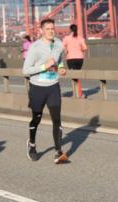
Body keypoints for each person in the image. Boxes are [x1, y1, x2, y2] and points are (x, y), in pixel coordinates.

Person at [22, 17, 69, 164]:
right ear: (41, 31)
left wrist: (61, 68)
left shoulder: (59, 44)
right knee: (37, 118)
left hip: (53, 86)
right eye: (47, 29)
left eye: (52, 28)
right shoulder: (35, 47)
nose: (51, 31)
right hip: (37, 88)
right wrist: (44, 67)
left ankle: (58, 151)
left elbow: (59, 60)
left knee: (57, 120)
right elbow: (25, 70)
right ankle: (32, 144)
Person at [62, 24, 88, 99]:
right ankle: (79, 93)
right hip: (80, 58)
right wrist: (80, 50)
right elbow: (85, 48)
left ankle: (77, 93)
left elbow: (63, 46)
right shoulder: (80, 38)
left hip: (71, 58)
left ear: (70, 30)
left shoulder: (67, 38)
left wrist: (66, 50)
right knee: (77, 75)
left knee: (73, 76)